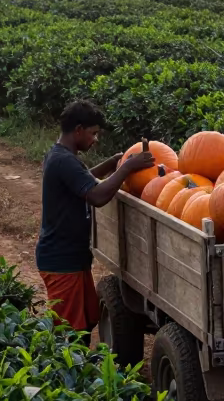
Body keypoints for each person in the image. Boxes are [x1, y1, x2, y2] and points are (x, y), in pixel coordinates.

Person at [36, 99, 154, 335]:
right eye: (93, 133)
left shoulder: (62, 155)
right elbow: (97, 196)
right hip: (61, 261)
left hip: (72, 258)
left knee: (87, 319)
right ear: (78, 130)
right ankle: (67, 371)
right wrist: (126, 169)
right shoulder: (63, 160)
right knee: (69, 332)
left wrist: (113, 163)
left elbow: (84, 178)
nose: (95, 139)